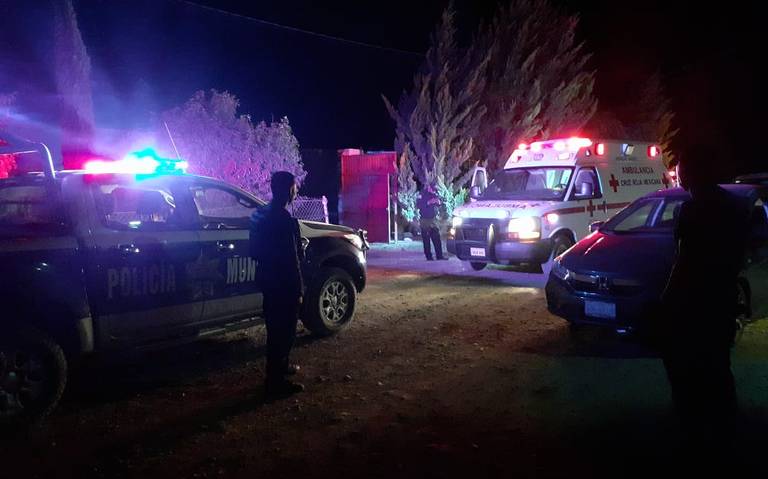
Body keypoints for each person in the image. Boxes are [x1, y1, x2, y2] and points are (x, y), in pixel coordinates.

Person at [659, 145, 751, 448]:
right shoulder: (736, 207)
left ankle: (695, 433)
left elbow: (684, 262)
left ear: (692, 173)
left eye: (682, 168)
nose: (679, 173)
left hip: (693, 303)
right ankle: (725, 430)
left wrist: (667, 303)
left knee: (686, 368)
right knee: (718, 367)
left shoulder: (692, 210)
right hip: (720, 301)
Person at [250, 171, 305, 398]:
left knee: (274, 330)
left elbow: (254, 251)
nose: (296, 191)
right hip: (285, 286)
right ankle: (275, 382)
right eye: (295, 187)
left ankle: (280, 368)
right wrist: (299, 290)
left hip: (268, 281)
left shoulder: (260, 215)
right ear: (289, 189)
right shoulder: (284, 220)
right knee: (285, 332)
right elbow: (293, 260)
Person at [417, 184, 447, 261]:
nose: (434, 190)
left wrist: (438, 202)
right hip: (424, 220)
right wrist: (428, 202)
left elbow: (439, 204)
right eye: (432, 189)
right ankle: (429, 256)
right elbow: (418, 205)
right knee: (426, 240)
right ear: (428, 187)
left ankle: (439, 256)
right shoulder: (422, 194)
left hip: (433, 220)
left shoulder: (433, 194)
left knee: (436, 238)